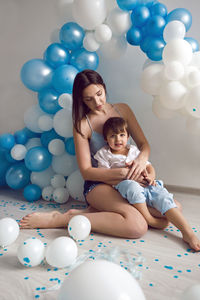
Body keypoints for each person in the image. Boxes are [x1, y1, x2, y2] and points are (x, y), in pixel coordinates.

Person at [19, 69, 199, 251]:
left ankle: (103, 212)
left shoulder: (123, 110)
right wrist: (122, 174)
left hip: (130, 181)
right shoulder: (83, 124)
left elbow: (144, 145)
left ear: (104, 88)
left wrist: (141, 162)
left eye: (99, 94)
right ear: (81, 100)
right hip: (99, 184)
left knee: (176, 207)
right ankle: (62, 218)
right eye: (88, 99)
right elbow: (87, 171)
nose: (96, 102)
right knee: (137, 226)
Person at [94, 116, 200, 250]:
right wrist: (125, 175)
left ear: (127, 137)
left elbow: (149, 167)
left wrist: (150, 177)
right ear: (105, 139)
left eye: (122, 135)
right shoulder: (104, 154)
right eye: (113, 136)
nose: (118, 139)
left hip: (145, 183)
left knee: (163, 197)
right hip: (124, 185)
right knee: (132, 187)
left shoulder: (133, 151)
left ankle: (187, 232)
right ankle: (149, 218)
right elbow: (104, 175)